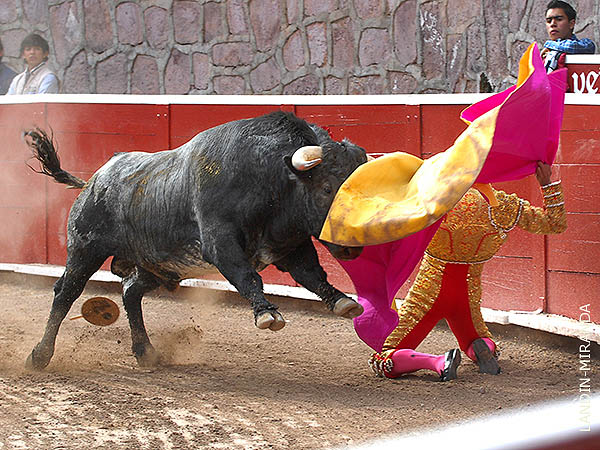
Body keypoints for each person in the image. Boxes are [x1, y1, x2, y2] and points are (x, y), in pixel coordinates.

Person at [368, 161, 567, 381]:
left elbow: (385, 220)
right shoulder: (505, 205)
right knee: (475, 338)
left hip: (428, 293)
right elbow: (555, 223)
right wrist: (546, 183)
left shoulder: (434, 198)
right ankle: (484, 349)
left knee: (384, 357)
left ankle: (438, 362)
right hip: (467, 296)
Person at [541, 0, 595, 73]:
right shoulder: (545, 55)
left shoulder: (584, 45)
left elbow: (571, 46)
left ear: (571, 24)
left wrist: (549, 44)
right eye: (549, 21)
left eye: (559, 19)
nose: (552, 24)